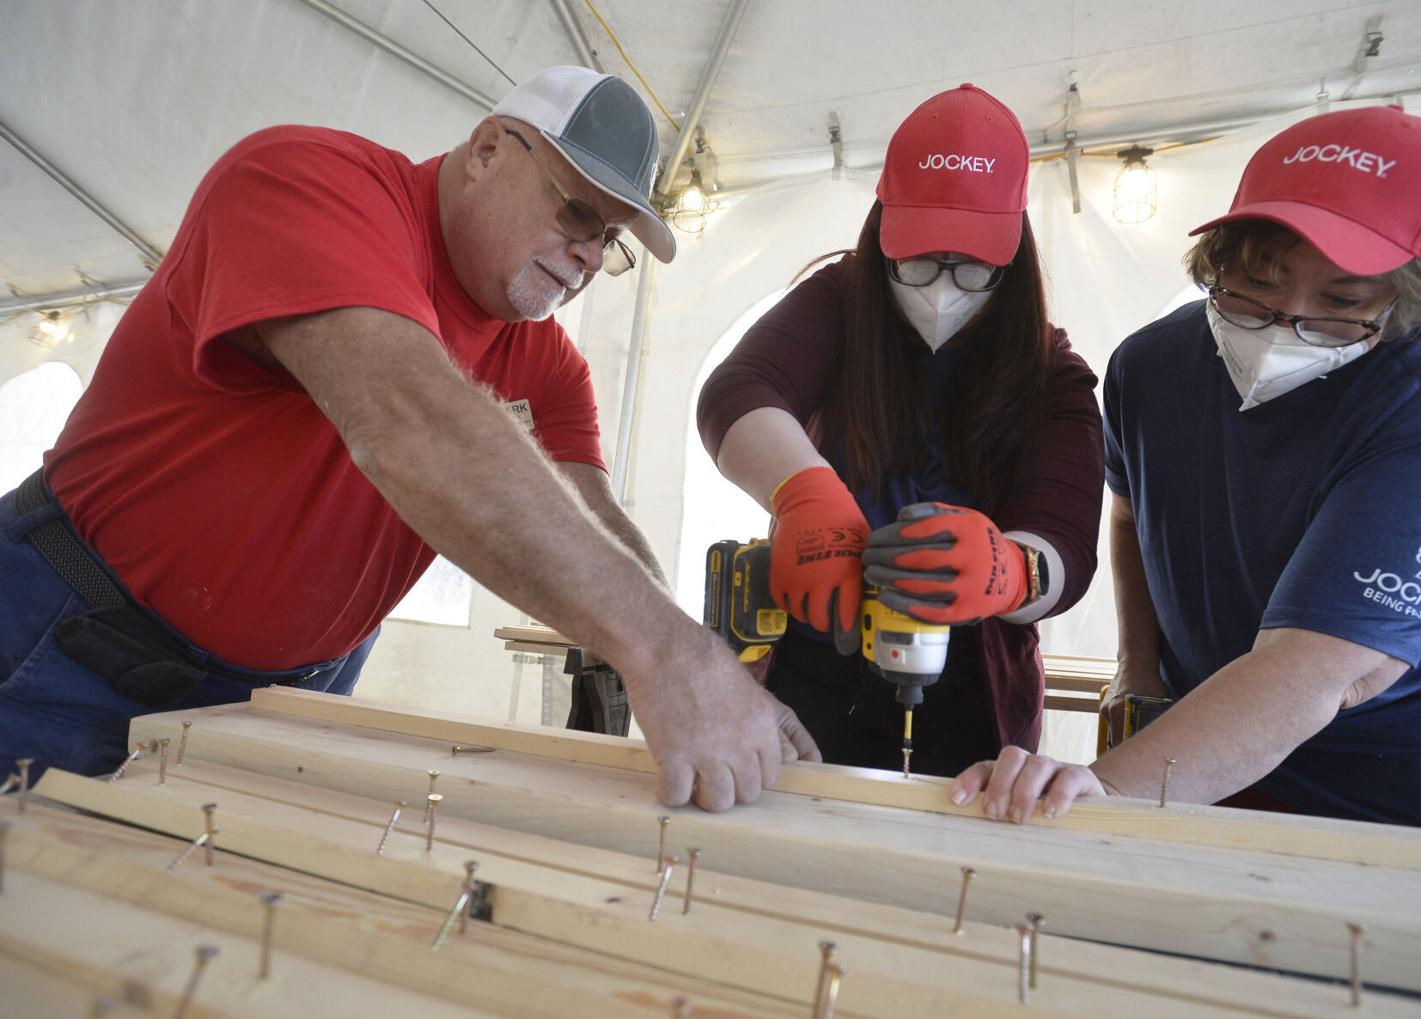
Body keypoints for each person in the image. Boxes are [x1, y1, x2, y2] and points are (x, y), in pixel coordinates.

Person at [0, 65, 815, 810]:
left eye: (611, 242)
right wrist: (665, 651)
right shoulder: (307, 181)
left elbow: (591, 520)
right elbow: (408, 422)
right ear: (489, 149)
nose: (590, 256)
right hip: (73, 645)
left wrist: (703, 662)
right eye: (577, 212)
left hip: (294, 698)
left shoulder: (548, 364)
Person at [951, 105, 1421, 835]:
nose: (1287, 323)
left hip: (1409, 787)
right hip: (1207, 750)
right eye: (1256, 287)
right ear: (1219, 256)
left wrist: (1101, 790)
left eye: (1342, 304)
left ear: (1408, 294)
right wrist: (1136, 663)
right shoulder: (1150, 366)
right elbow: (1131, 511)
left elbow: (1316, 669)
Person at [697, 84, 1104, 776]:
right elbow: (738, 391)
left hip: (976, 688)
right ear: (881, 230)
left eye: (973, 267)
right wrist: (805, 495)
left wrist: (1008, 571)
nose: (942, 288)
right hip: (818, 652)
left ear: (1014, 257)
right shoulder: (839, 300)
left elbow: (1065, 544)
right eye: (916, 260)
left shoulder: (1053, 375)